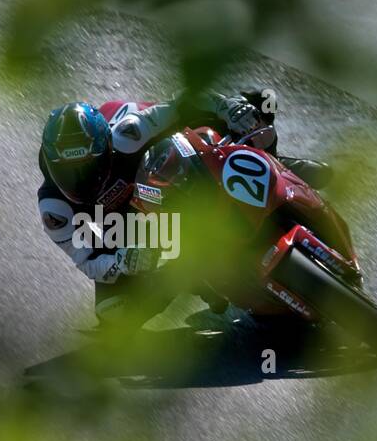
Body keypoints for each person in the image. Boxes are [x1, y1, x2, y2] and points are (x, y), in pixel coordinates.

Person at [36, 89, 331, 331]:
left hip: (165, 160)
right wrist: (124, 261)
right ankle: (188, 274)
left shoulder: (128, 133)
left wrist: (229, 109)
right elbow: (87, 260)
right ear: (51, 163)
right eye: (68, 171)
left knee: (254, 102)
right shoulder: (55, 208)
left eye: (87, 166)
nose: (80, 179)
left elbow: (186, 102)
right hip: (125, 225)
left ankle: (277, 165)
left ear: (106, 148)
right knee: (113, 313)